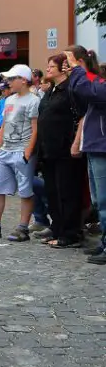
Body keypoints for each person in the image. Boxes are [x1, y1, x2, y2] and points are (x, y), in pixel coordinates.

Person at [0, 65, 40, 242]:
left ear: (24, 80)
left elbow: (35, 129)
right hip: (5, 151)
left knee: (25, 191)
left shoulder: (33, 101)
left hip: (21, 150)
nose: (8, 82)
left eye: (12, 79)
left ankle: (23, 228)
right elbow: (4, 125)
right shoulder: (9, 100)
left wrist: (27, 152)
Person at [36, 54, 84, 248]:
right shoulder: (51, 91)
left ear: (62, 68)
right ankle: (57, 228)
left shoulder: (71, 90)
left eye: (51, 66)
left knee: (67, 191)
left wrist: (75, 143)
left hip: (65, 148)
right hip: (48, 149)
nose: (47, 69)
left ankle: (70, 233)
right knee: (52, 192)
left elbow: (80, 116)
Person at [63, 48, 106, 264]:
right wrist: (75, 72)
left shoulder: (99, 84)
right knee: (99, 200)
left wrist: (78, 69)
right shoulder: (92, 82)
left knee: (105, 200)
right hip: (94, 146)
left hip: (101, 146)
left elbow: (91, 92)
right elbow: (78, 96)